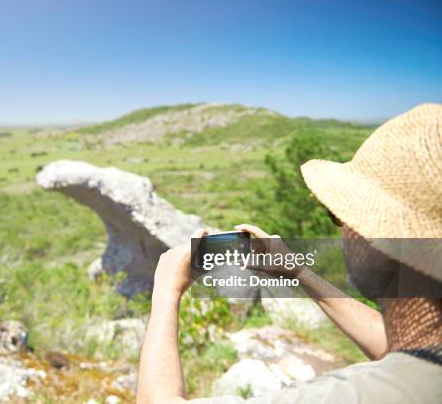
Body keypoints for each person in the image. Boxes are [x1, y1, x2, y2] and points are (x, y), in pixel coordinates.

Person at [136, 104, 442, 403]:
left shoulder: (350, 395)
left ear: (384, 244)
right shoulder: (423, 361)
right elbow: (396, 346)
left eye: (340, 216)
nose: (342, 231)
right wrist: (297, 271)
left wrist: (167, 288)